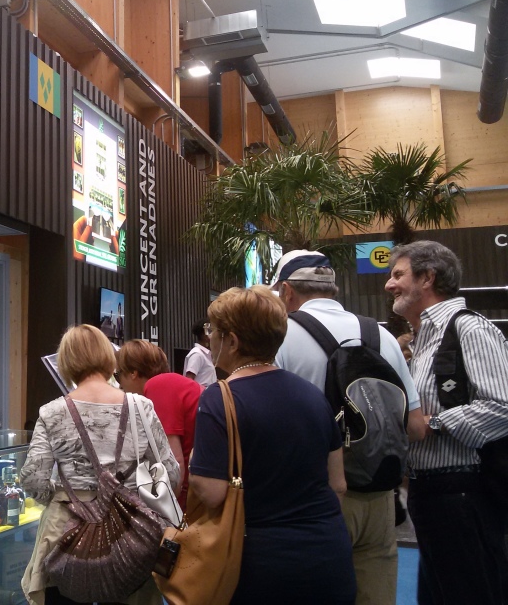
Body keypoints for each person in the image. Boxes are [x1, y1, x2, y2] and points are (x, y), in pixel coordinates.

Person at [271, 249, 426, 605]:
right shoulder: (382, 336)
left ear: (287, 292)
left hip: (314, 498)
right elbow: (415, 426)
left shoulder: (280, 337)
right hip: (378, 496)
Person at [190, 285, 355, 604]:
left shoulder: (219, 399)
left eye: (214, 330)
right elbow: (338, 484)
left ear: (233, 341)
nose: (209, 337)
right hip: (329, 553)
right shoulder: (313, 395)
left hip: (260, 563)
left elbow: (211, 492)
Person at [385, 240, 508, 604]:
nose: (389, 285)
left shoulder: (469, 329)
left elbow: (502, 404)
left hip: (465, 494)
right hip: (433, 496)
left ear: (427, 277)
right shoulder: (425, 337)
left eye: (398, 275)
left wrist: (434, 423)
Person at [20, 325, 178, 605]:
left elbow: (34, 480)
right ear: (109, 357)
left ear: (66, 362)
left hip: (66, 537)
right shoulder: (141, 407)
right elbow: (171, 474)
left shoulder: (52, 412)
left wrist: (63, 496)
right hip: (132, 536)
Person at [116, 338, 202, 510]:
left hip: (189, 503)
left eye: (117, 376)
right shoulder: (174, 384)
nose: (120, 386)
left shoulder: (159, 387)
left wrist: (167, 518)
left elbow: (174, 466)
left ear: (133, 373)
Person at [183, 320, 215, 387]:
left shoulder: (206, 354)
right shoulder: (197, 354)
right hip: (200, 396)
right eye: (210, 332)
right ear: (204, 335)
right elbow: (189, 380)